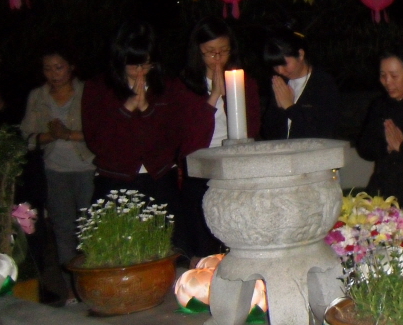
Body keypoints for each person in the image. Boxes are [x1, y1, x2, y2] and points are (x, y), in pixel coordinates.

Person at [81, 20, 196, 254]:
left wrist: (146, 110)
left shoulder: (168, 87)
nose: (140, 71)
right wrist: (127, 108)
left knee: (170, 249)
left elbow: (174, 137)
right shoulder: (98, 88)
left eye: (146, 64)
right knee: (115, 252)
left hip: (159, 177)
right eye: (134, 65)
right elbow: (97, 141)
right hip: (115, 179)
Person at [180, 17, 260, 257]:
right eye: (210, 52)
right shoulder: (184, 86)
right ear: (198, 51)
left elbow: (252, 126)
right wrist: (214, 96)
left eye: (223, 51)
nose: (217, 58)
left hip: (236, 163)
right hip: (201, 166)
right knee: (203, 241)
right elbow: (187, 137)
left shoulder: (244, 82)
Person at [19, 46, 95, 298]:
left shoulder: (86, 92)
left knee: (90, 227)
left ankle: (93, 284)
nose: (53, 74)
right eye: (48, 69)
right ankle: (71, 289)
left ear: (71, 67)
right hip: (55, 170)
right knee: (63, 229)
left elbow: (100, 133)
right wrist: (50, 135)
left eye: (59, 67)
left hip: (87, 168)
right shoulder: (38, 96)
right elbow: (27, 137)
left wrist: (69, 134)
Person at [356, 51, 403, 217]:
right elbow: (364, 148)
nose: (387, 81)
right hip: (383, 187)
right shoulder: (380, 106)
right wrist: (387, 146)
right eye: (383, 75)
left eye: (394, 76)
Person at [261, 29, 340, 140]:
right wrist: (280, 109)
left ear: (300, 54)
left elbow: (321, 132)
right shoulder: (281, 84)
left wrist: (289, 107)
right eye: (275, 66)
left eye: (284, 64)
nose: (280, 71)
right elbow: (268, 133)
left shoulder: (322, 83)